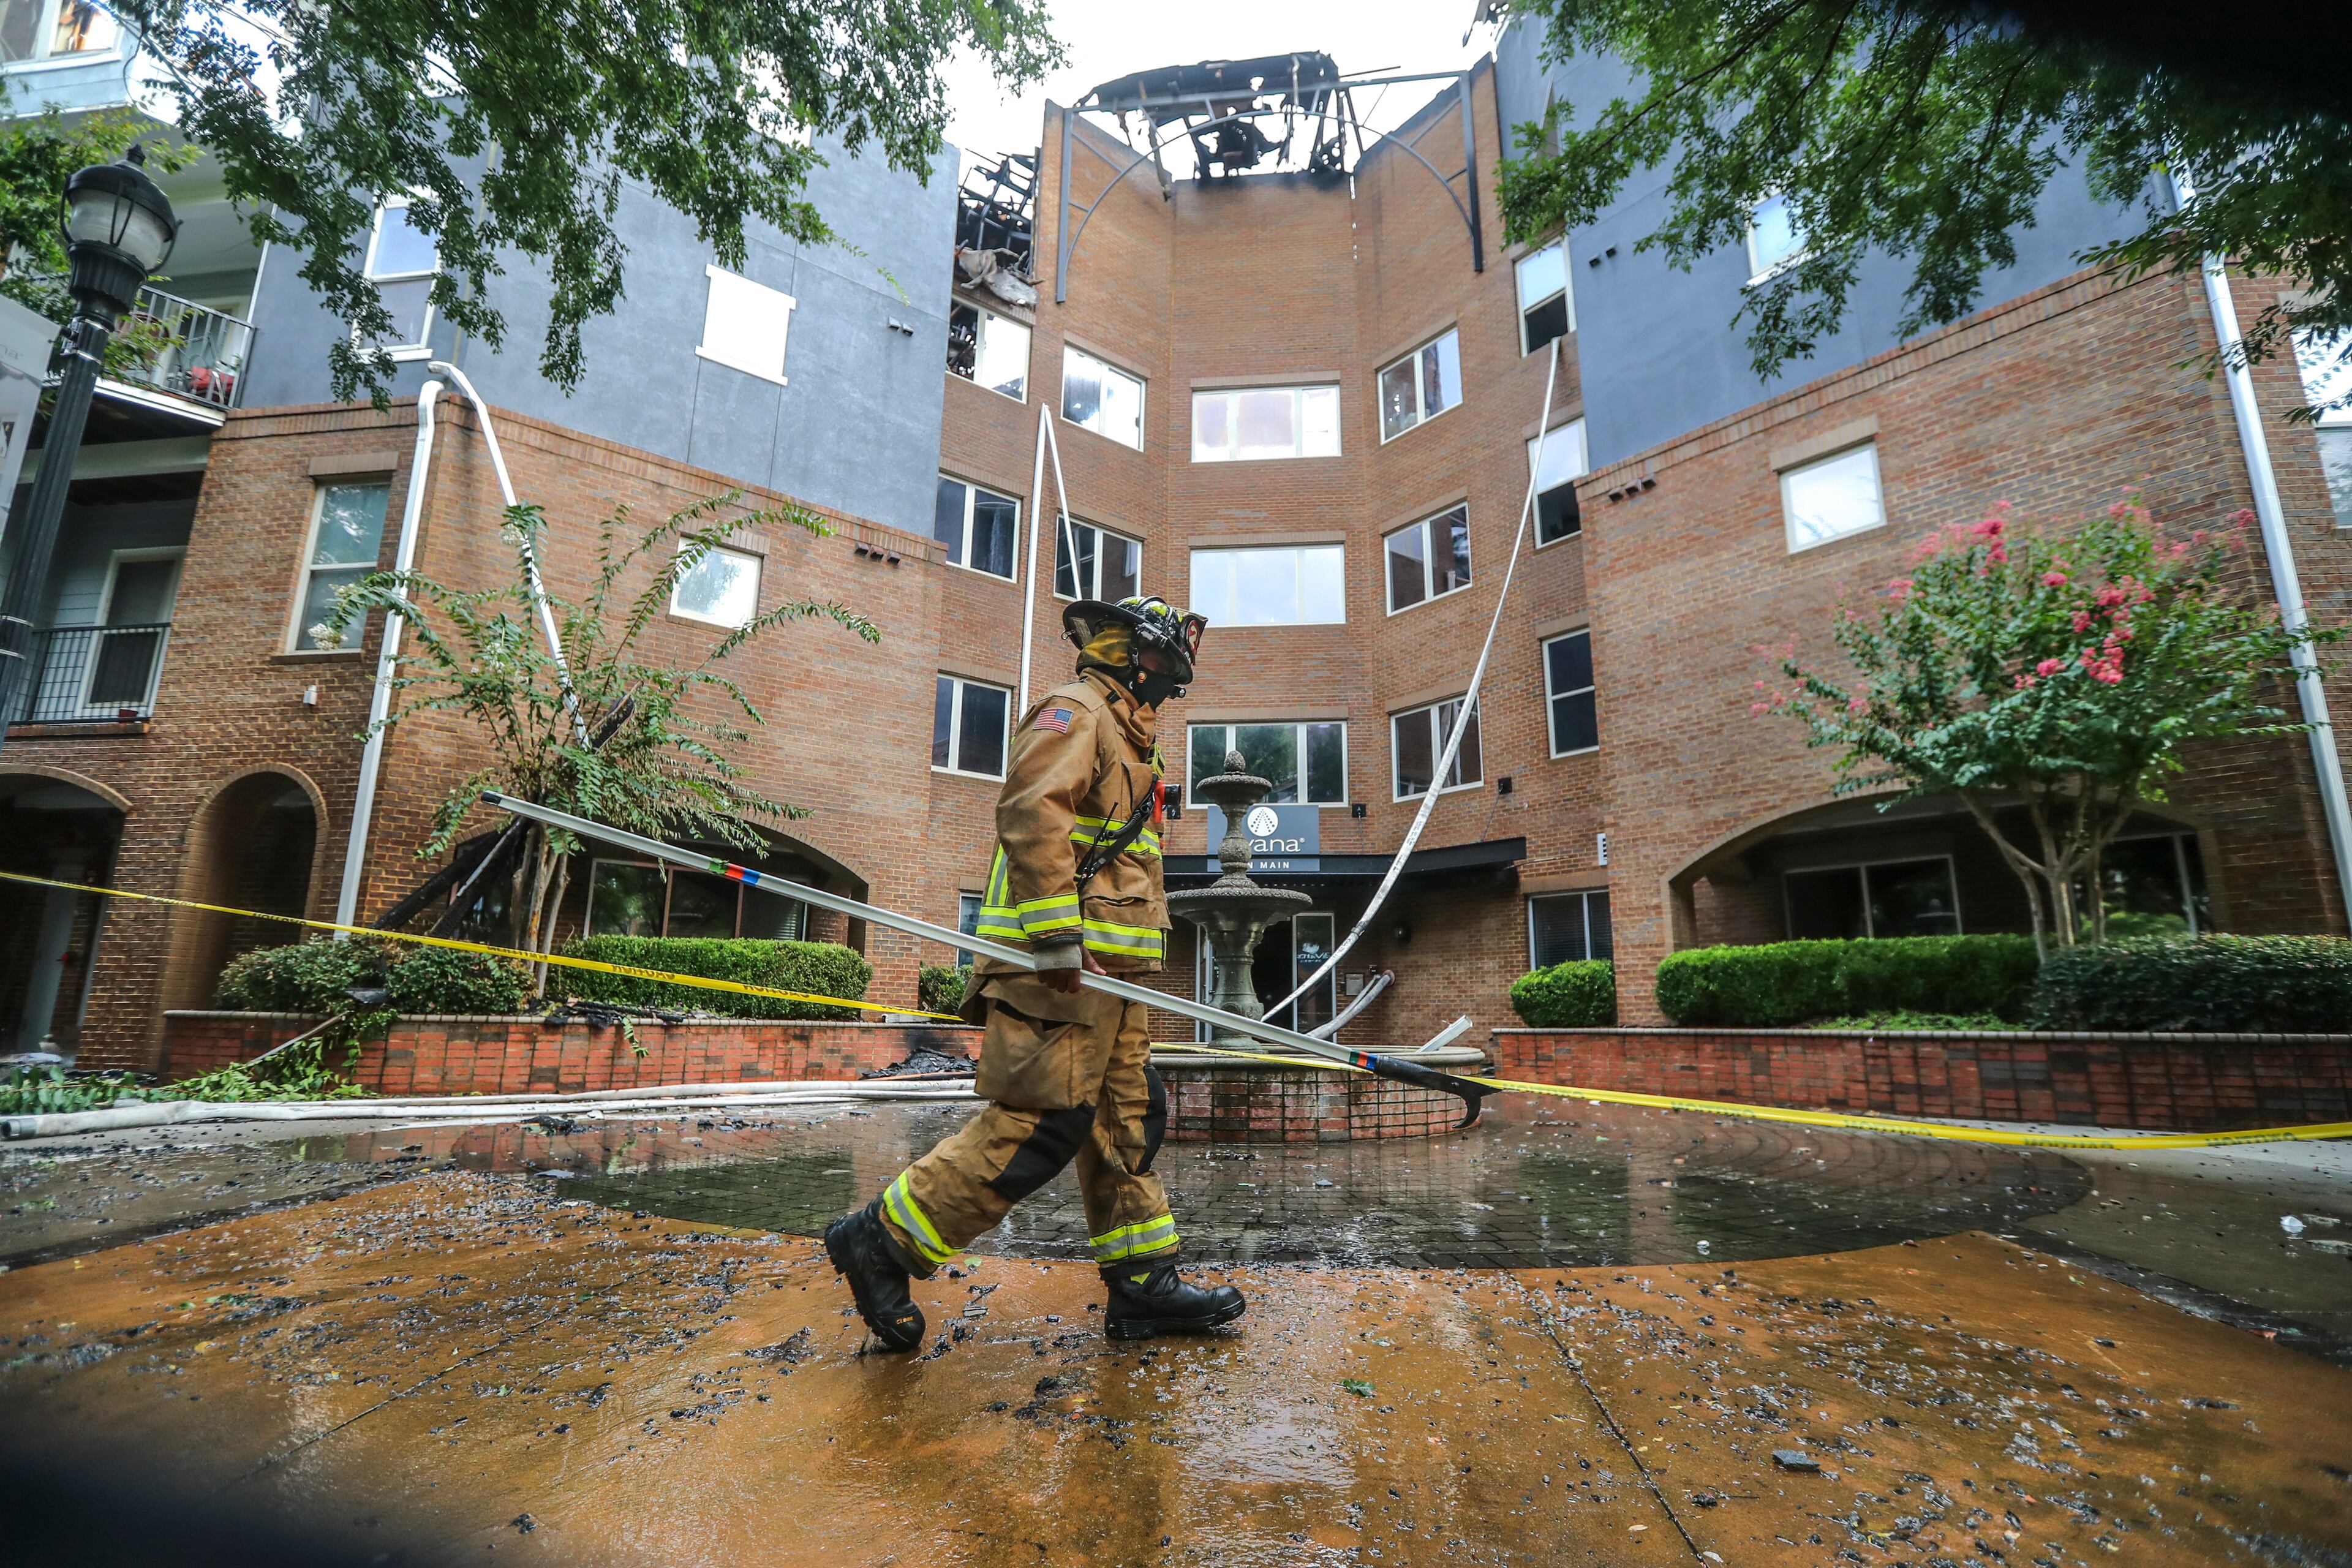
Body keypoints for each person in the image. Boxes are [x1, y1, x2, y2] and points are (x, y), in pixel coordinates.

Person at [825, 595, 1245, 1349]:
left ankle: (1143, 1284)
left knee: (1128, 1121)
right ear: (1126, 653)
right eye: (1163, 664)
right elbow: (1031, 815)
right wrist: (1054, 936)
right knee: (1042, 1124)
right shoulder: (1075, 712)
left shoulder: (1128, 735)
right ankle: (881, 1241)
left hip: (1109, 976)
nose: (1171, 681)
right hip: (1059, 969)